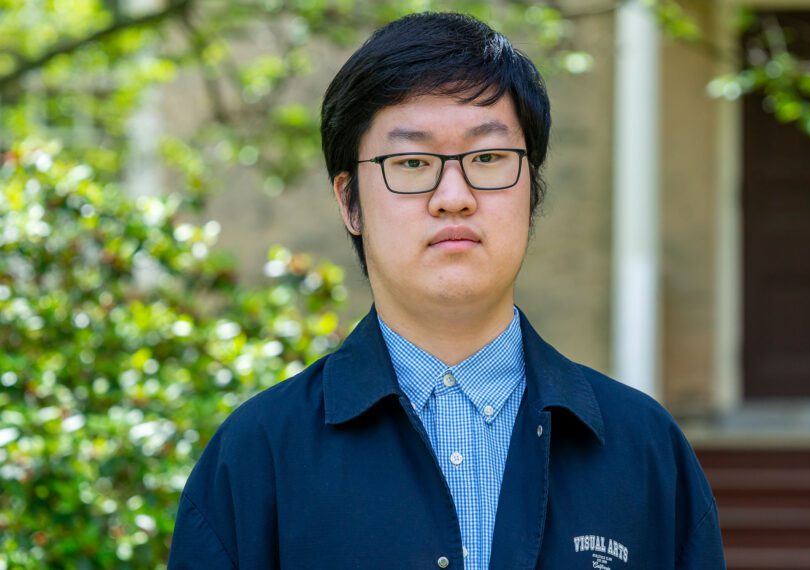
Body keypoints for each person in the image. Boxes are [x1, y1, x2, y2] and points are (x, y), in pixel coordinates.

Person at [168, 12, 726, 570]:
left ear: (531, 190)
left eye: (487, 157)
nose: (453, 196)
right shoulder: (257, 455)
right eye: (411, 162)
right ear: (349, 202)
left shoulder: (644, 449)